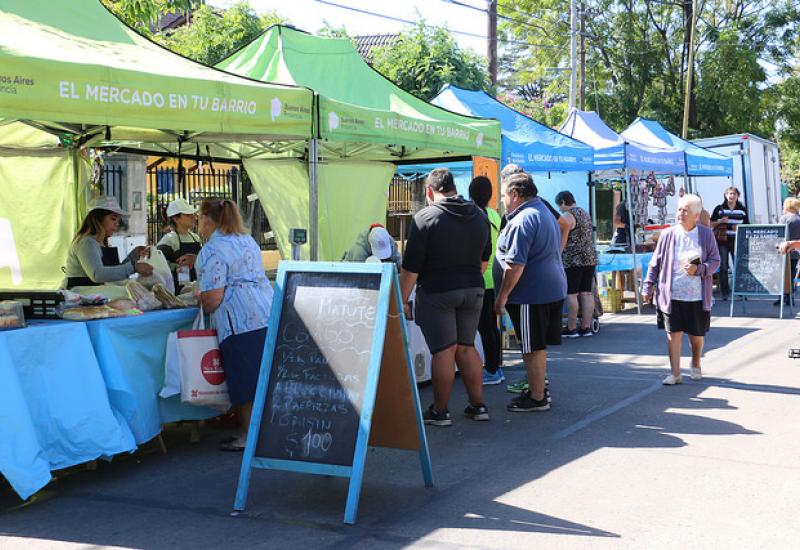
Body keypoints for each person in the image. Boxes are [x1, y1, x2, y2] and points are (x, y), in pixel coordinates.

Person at [400, 167, 491, 426]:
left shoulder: (425, 217)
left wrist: (399, 300)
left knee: (444, 351)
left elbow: (410, 270)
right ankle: (478, 405)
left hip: (438, 290)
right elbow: (484, 260)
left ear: (430, 191)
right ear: (454, 187)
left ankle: (440, 411)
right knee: (466, 346)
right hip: (473, 288)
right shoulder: (480, 215)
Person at [196, 198, 274, 451]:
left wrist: (201, 298)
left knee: (244, 380)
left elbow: (213, 298)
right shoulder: (247, 240)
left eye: (199, 217)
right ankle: (256, 430)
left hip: (238, 320)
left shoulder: (212, 249)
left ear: (207, 219)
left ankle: (248, 436)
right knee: (259, 375)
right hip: (264, 310)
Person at [494, 172, 567, 412]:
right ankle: (538, 390)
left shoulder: (524, 219)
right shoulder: (542, 211)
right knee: (535, 346)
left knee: (532, 347)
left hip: (531, 294)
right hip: (547, 289)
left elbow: (515, 266)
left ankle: (537, 397)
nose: (503, 200)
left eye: (504, 195)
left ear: (515, 195)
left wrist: (502, 297)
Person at [641, 194, 720, 385]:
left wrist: (699, 269)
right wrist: (648, 286)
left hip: (697, 295)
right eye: (679, 209)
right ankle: (675, 373)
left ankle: (695, 361)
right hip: (671, 293)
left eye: (685, 210)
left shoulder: (705, 234)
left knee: (697, 336)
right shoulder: (668, 234)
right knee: (673, 333)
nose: (681, 213)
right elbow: (655, 263)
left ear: (696, 214)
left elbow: (715, 261)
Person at [64, 195, 152, 288]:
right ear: (98, 218)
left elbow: (112, 273)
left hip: (97, 296)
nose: (116, 224)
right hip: (81, 297)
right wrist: (134, 267)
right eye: (113, 219)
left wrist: (133, 256)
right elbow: (97, 274)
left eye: (118, 221)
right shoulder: (86, 243)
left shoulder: (100, 243)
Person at [468, 175, 504, 385]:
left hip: (480, 277)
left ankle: (492, 369)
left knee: (484, 328)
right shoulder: (494, 215)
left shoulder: (473, 215)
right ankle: (496, 366)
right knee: (491, 327)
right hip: (494, 277)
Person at [555, 190, 598, 338]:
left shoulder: (567, 216)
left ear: (562, 202)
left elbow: (563, 239)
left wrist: (558, 254)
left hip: (574, 259)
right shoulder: (584, 213)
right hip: (590, 258)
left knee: (571, 294)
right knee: (586, 292)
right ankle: (586, 327)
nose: (560, 209)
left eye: (559, 206)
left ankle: (571, 328)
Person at [710, 186, 749, 300]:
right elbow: (710, 223)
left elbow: (747, 224)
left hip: (737, 240)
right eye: (730, 194)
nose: (732, 196)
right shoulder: (719, 208)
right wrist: (720, 221)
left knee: (739, 266)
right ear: (725, 195)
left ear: (737, 196)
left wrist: (739, 227)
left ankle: (740, 291)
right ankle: (725, 292)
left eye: (734, 194)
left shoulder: (742, 209)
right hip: (722, 240)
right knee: (723, 266)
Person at [156, 198, 201, 292]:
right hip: (177, 290)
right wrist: (174, 267)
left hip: (196, 287)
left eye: (193, 214)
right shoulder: (169, 240)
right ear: (176, 219)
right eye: (188, 215)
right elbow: (158, 265)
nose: (193, 217)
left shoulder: (195, 237)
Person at [776, 197, 800, 305]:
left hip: (784, 250)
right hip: (796, 251)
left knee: (782, 276)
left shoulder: (784, 218)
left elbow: (780, 235)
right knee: (791, 275)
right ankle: (790, 298)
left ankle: (782, 298)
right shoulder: (798, 218)